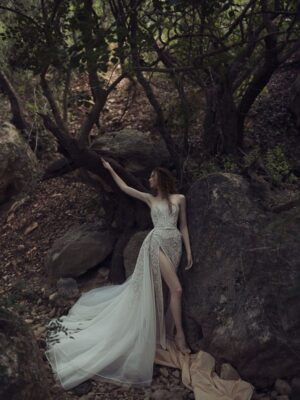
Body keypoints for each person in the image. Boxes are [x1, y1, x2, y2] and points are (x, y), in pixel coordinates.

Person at [45, 159, 193, 390]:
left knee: (167, 291)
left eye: (152, 177)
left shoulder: (179, 199)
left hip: (174, 244)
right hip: (155, 243)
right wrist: (110, 170)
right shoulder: (150, 199)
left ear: (160, 177)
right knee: (177, 289)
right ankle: (180, 336)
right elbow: (125, 189)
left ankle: (166, 332)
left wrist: (189, 252)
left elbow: (183, 226)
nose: (149, 180)